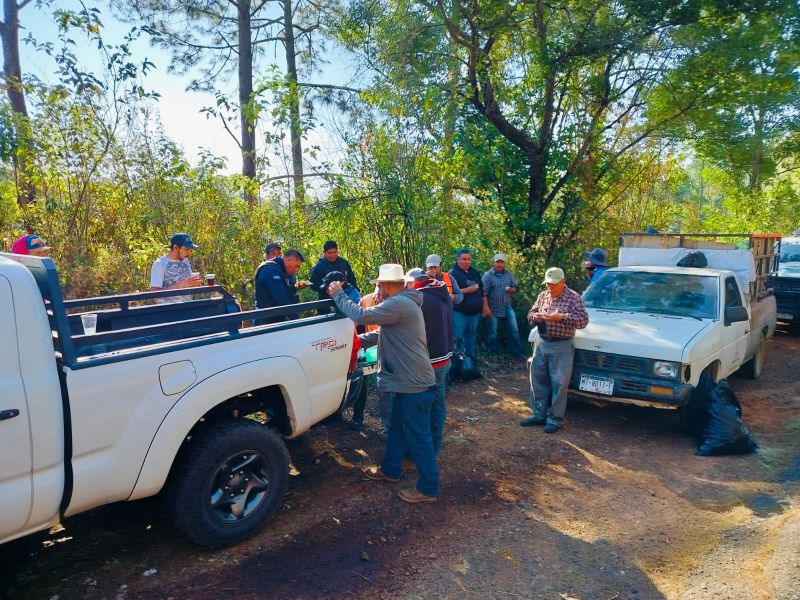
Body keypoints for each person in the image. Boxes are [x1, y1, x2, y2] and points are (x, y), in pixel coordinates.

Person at [326, 263, 438, 504]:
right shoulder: (404, 303)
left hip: (413, 383)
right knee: (396, 427)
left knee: (419, 436)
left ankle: (429, 488)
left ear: (387, 285)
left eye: (379, 285)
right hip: (405, 382)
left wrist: (338, 293)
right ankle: (391, 469)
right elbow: (382, 333)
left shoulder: (398, 303)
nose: (377, 289)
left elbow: (361, 315)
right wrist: (353, 342)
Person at [520, 267, 589, 433]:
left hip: (562, 345)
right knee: (537, 380)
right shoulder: (543, 295)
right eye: (547, 284)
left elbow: (583, 321)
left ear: (563, 282)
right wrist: (535, 317)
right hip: (542, 341)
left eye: (553, 284)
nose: (549, 287)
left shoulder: (574, 298)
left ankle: (555, 420)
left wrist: (562, 317)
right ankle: (538, 414)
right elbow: (531, 313)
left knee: (559, 383)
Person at [406, 268, 454, 456]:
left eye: (408, 283)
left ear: (415, 282)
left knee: (421, 406)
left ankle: (422, 448)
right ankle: (435, 444)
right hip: (443, 357)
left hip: (428, 360)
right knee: (438, 403)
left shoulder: (421, 299)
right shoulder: (442, 293)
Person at [481, 253, 523, 358]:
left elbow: (515, 288)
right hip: (493, 308)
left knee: (514, 330)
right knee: (493, 332)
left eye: (501, 262)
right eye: (497, 262)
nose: (499, 264)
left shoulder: (509, 274)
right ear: (493, 262)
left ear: (504, 263)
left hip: (507, 306)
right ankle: (493, 354)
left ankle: (517, 353)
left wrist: (511, 289)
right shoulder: (487, 276)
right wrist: (486, 308)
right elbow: (483, 293)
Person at [448, 248, 484, 360]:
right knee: (456, 338)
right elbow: (449, 293)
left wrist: (484, 307)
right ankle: (455, 363)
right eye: (464, 259)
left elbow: (482, 291)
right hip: (459, 313)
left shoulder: (474, 272)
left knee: (471, 338)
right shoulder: (452, 273)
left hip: (474, 313)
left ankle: (470, 363)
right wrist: (466, 290)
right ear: (458, 259)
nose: (466, 261)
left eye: (468, 259)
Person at [254, 248, 305, 324]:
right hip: (266, 321)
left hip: (279, 318)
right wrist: (297, 320)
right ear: (288, 260)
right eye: (296, 266)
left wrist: (295, 288)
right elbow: (281, 297)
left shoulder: (284, 271)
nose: (296, 270)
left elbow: (287, 292)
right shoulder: (270, 270)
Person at [149, 233, 202, 303]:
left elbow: (189, 290)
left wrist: (194, 285)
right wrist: (181, 284)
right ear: (175, 247)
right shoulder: (159, 264)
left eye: (190, 250)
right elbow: (155, 296)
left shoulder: (185, 261)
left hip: (188, 307)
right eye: (186, 249)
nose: (189, 253)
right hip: (168, 311)